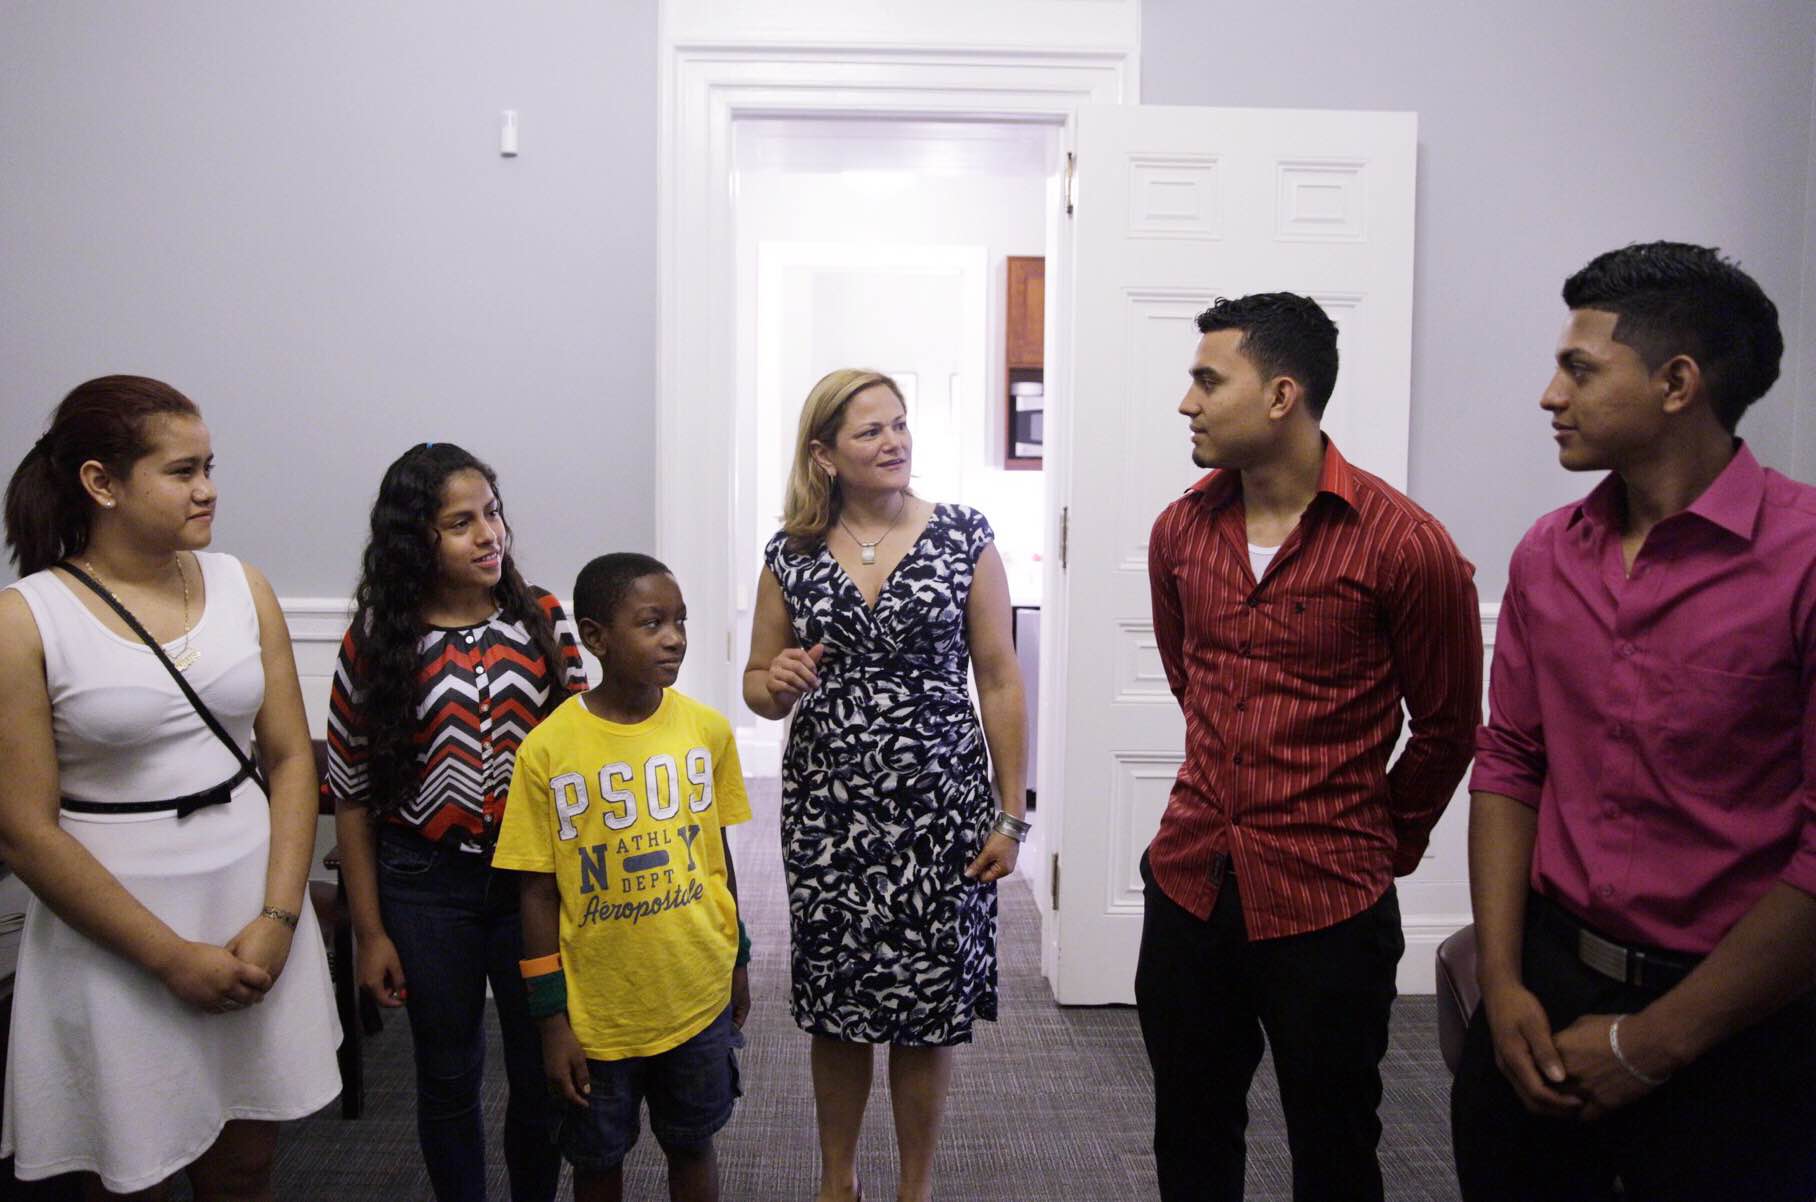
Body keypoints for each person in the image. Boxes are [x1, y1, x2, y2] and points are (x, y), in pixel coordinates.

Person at [1452, 242, 1816, 1201]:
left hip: (1740, 1018)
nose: (1550, 395)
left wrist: (1655, 1043)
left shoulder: (1805, 561)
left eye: (1580, 369)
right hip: (1547, 981)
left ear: (1677, 384)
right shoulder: (1548, 555)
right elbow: (1511, 763)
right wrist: (1502, 983)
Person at [1139, 294, 1482, 1202]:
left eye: (1209, 381)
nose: (1187, 402)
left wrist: (1377, 839)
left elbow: (1449, 727)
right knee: (1190, 1135)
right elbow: (1190, 681)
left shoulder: (1406, 544)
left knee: (1334, 1149)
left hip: (1330, 904)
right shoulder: (1179, 531)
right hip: (1189, 884)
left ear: (1282, 394)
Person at [0, 376, 341, 1196]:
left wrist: (279, 917)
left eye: (209, 467)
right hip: (116, 934)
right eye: (182, 471)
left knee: (247, 1161)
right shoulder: (26, 619)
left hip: (250, 907)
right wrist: (170, 958)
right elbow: (23, 831)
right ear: (102, 483)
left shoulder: (242, 585)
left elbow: (291, 760)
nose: (207, 489)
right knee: (133, 1166)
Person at [744, 368, 1028, 1202]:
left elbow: (1000, 679)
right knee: (836, 1005)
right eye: (870, 430)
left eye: (899, 424)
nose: (894, 441)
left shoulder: (964, 536)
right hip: (829, 812)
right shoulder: (790, 555)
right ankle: (837, 1182)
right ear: (824, 454)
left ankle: (915, 1187)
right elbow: (757, 685)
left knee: (926, 1008)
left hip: (941, 808)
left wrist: (1011, 814)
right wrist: (777, 682)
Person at [326, 442, 583, 1202]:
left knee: (542, 1067)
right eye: (460, 522)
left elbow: (582, 763)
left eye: (492, 513)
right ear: (416, 539)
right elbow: (353, 798)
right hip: (425, 885)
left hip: (532, 886)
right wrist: (371, 933)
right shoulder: (377, 638)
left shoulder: (543, 619)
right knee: (446, 1073)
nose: (488, 534)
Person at [497, 552, 751, 1202]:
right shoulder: (547, 752)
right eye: (652, 623)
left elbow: (716, 859)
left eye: (681, 621)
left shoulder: (707, 732)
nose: (675, 638)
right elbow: (536, 893)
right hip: (598, 1015)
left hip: (695, 992)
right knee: (597, 1158)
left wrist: (739, 960)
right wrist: (551, 1020)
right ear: (597, 637)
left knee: (693, 1142)